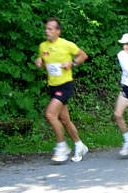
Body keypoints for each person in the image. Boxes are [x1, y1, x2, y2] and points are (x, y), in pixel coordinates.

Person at [35, 17, 88, 163]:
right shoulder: (43, 46)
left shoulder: (66, 44)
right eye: (46, 28)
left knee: (51, 114)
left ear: (58, 31)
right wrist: (40, 62)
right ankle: (79, 145)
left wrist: (72, 63)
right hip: (53, 86)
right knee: (64, 119)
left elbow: (83, 55)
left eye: (51, 29)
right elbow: (44, 62)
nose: (47, 31)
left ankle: (62, 146)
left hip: (65, 85)